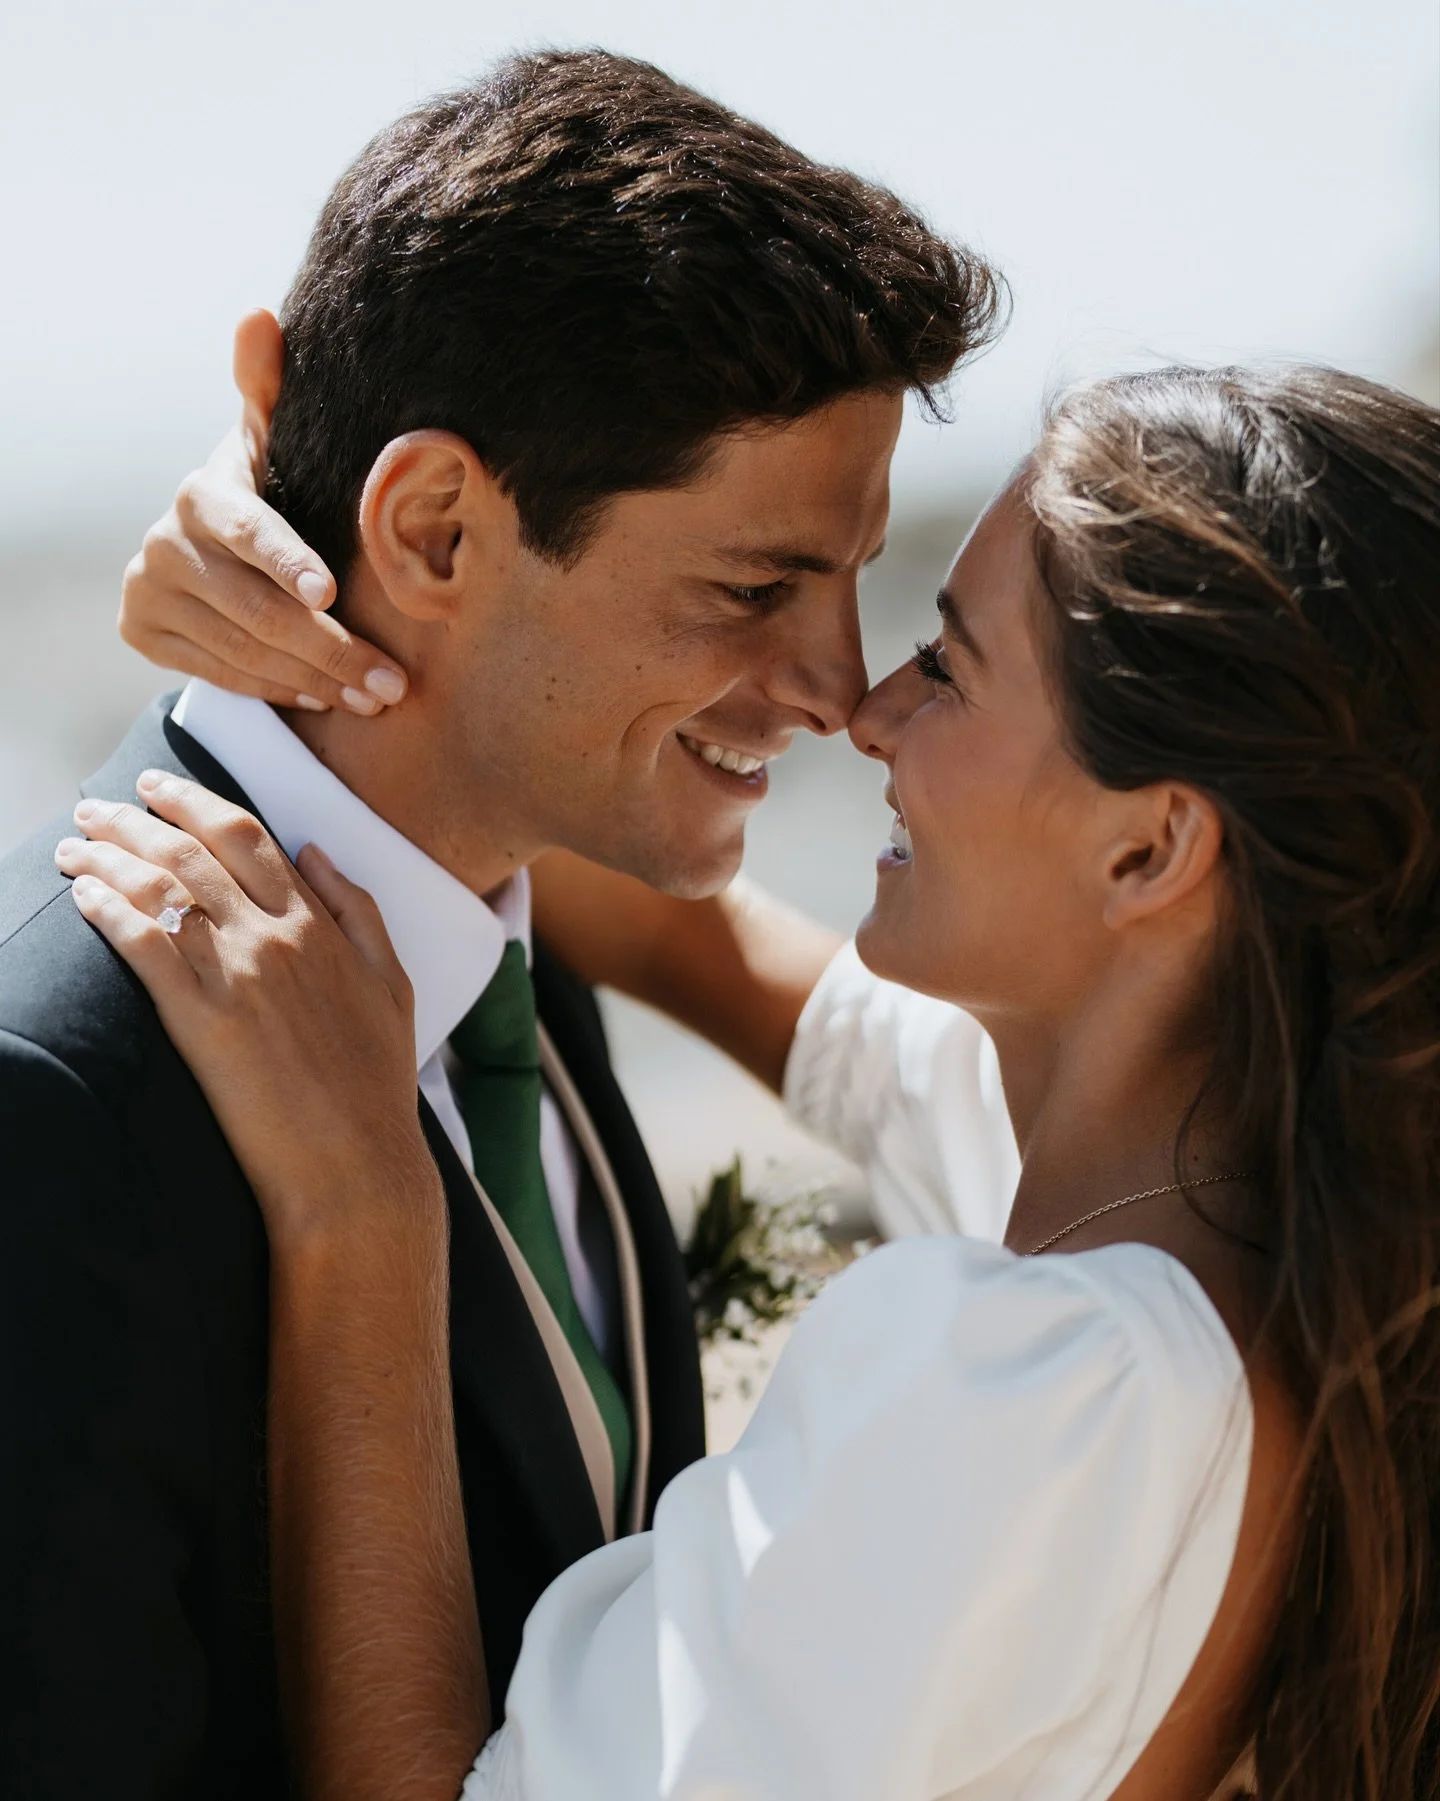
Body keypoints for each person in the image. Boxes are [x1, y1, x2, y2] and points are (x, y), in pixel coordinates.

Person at [66, 363, 1440, 1800]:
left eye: (952, 667)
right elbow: (702, 942)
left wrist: (363, 1203)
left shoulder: (1034, 1387)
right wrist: (340, 574)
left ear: (1151, 852)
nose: (869, 709)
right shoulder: (1266, 1205)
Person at [0, 50, 1003, 1797]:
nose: (842, 690)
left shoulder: (520, 921)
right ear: (438, 526)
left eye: (856, 583)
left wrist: (283, 440)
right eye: (758, 587)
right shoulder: (50, 1098)